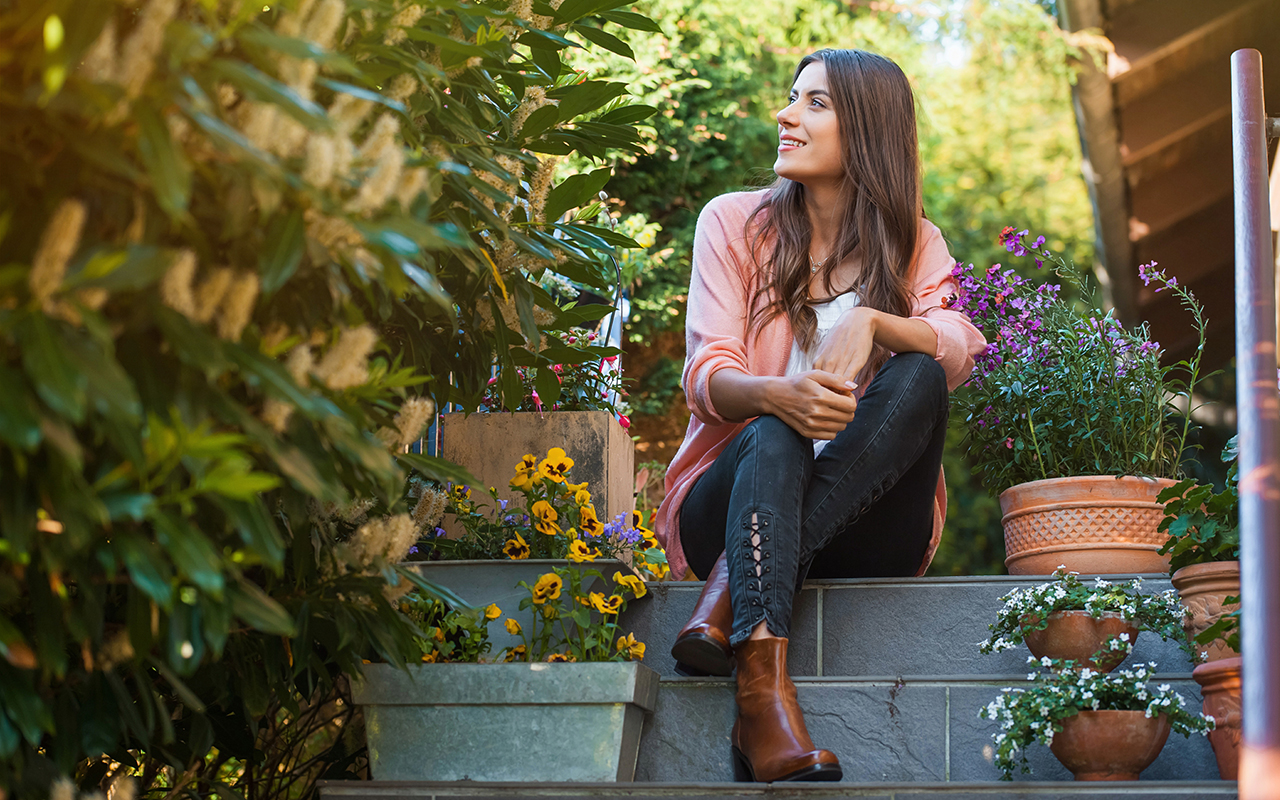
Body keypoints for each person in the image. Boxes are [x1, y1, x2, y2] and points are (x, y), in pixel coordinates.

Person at [654, 48, 987, 783]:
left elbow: (963, 347)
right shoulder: (734, 224)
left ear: (865, 130)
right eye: (791, 97)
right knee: (773, 430)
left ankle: (728, 598)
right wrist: (779, 396)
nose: (786, 115)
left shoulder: (914, 244)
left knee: (919, 373)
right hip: (730, 512)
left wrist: (875, 320)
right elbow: (706, 378)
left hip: (868, 527)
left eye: (814, 103)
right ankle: (761, 697)